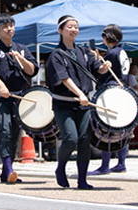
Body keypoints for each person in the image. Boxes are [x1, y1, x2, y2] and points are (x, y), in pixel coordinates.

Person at [44, 14, 111, 190]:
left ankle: (82, 180)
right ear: (60, 30)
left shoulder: (83, 52)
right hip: (63, 103)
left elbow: (96, 69)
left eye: (76, 26)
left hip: (83, 104)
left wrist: (104, 67)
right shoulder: (56, 55)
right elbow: (64, 78)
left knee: (84, 139)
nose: (74, 29)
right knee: (70, 138)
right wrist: (80, 93)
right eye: (70, 27)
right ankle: (60, 169)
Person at [0, 13, 38, 184]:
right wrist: (1, 85)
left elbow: (31, 70)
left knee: (14, 134)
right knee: (4, 131)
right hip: (0, 97)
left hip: (19, 97)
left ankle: (6, 173)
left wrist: (21, 58)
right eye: (5, 26)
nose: (9, 29)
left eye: (11, 25)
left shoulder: (22, 48)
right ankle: (10, 170)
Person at [90, 23, 134, 176]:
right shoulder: (122, 52)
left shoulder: (110, 54)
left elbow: (100, 74)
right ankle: (121, 163)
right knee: (122, 128)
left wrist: (97, 61)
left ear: (106, 38)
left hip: (110, 92)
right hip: (123, 91)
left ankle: (105, 166)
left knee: (106, 129)